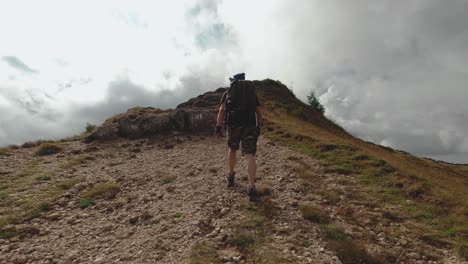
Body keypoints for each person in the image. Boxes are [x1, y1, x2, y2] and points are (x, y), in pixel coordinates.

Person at [215, 73, 263, 201]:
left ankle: (231, 176)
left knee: (232, 149)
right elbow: (259, 113)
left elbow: (221, 111)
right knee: (250, 155)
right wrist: (258, 127)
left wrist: (218, 127)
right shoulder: (251, 93)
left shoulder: (228, 93)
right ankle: (251, 187)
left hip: (233, 125)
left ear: (233, 82)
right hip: (250, 126)